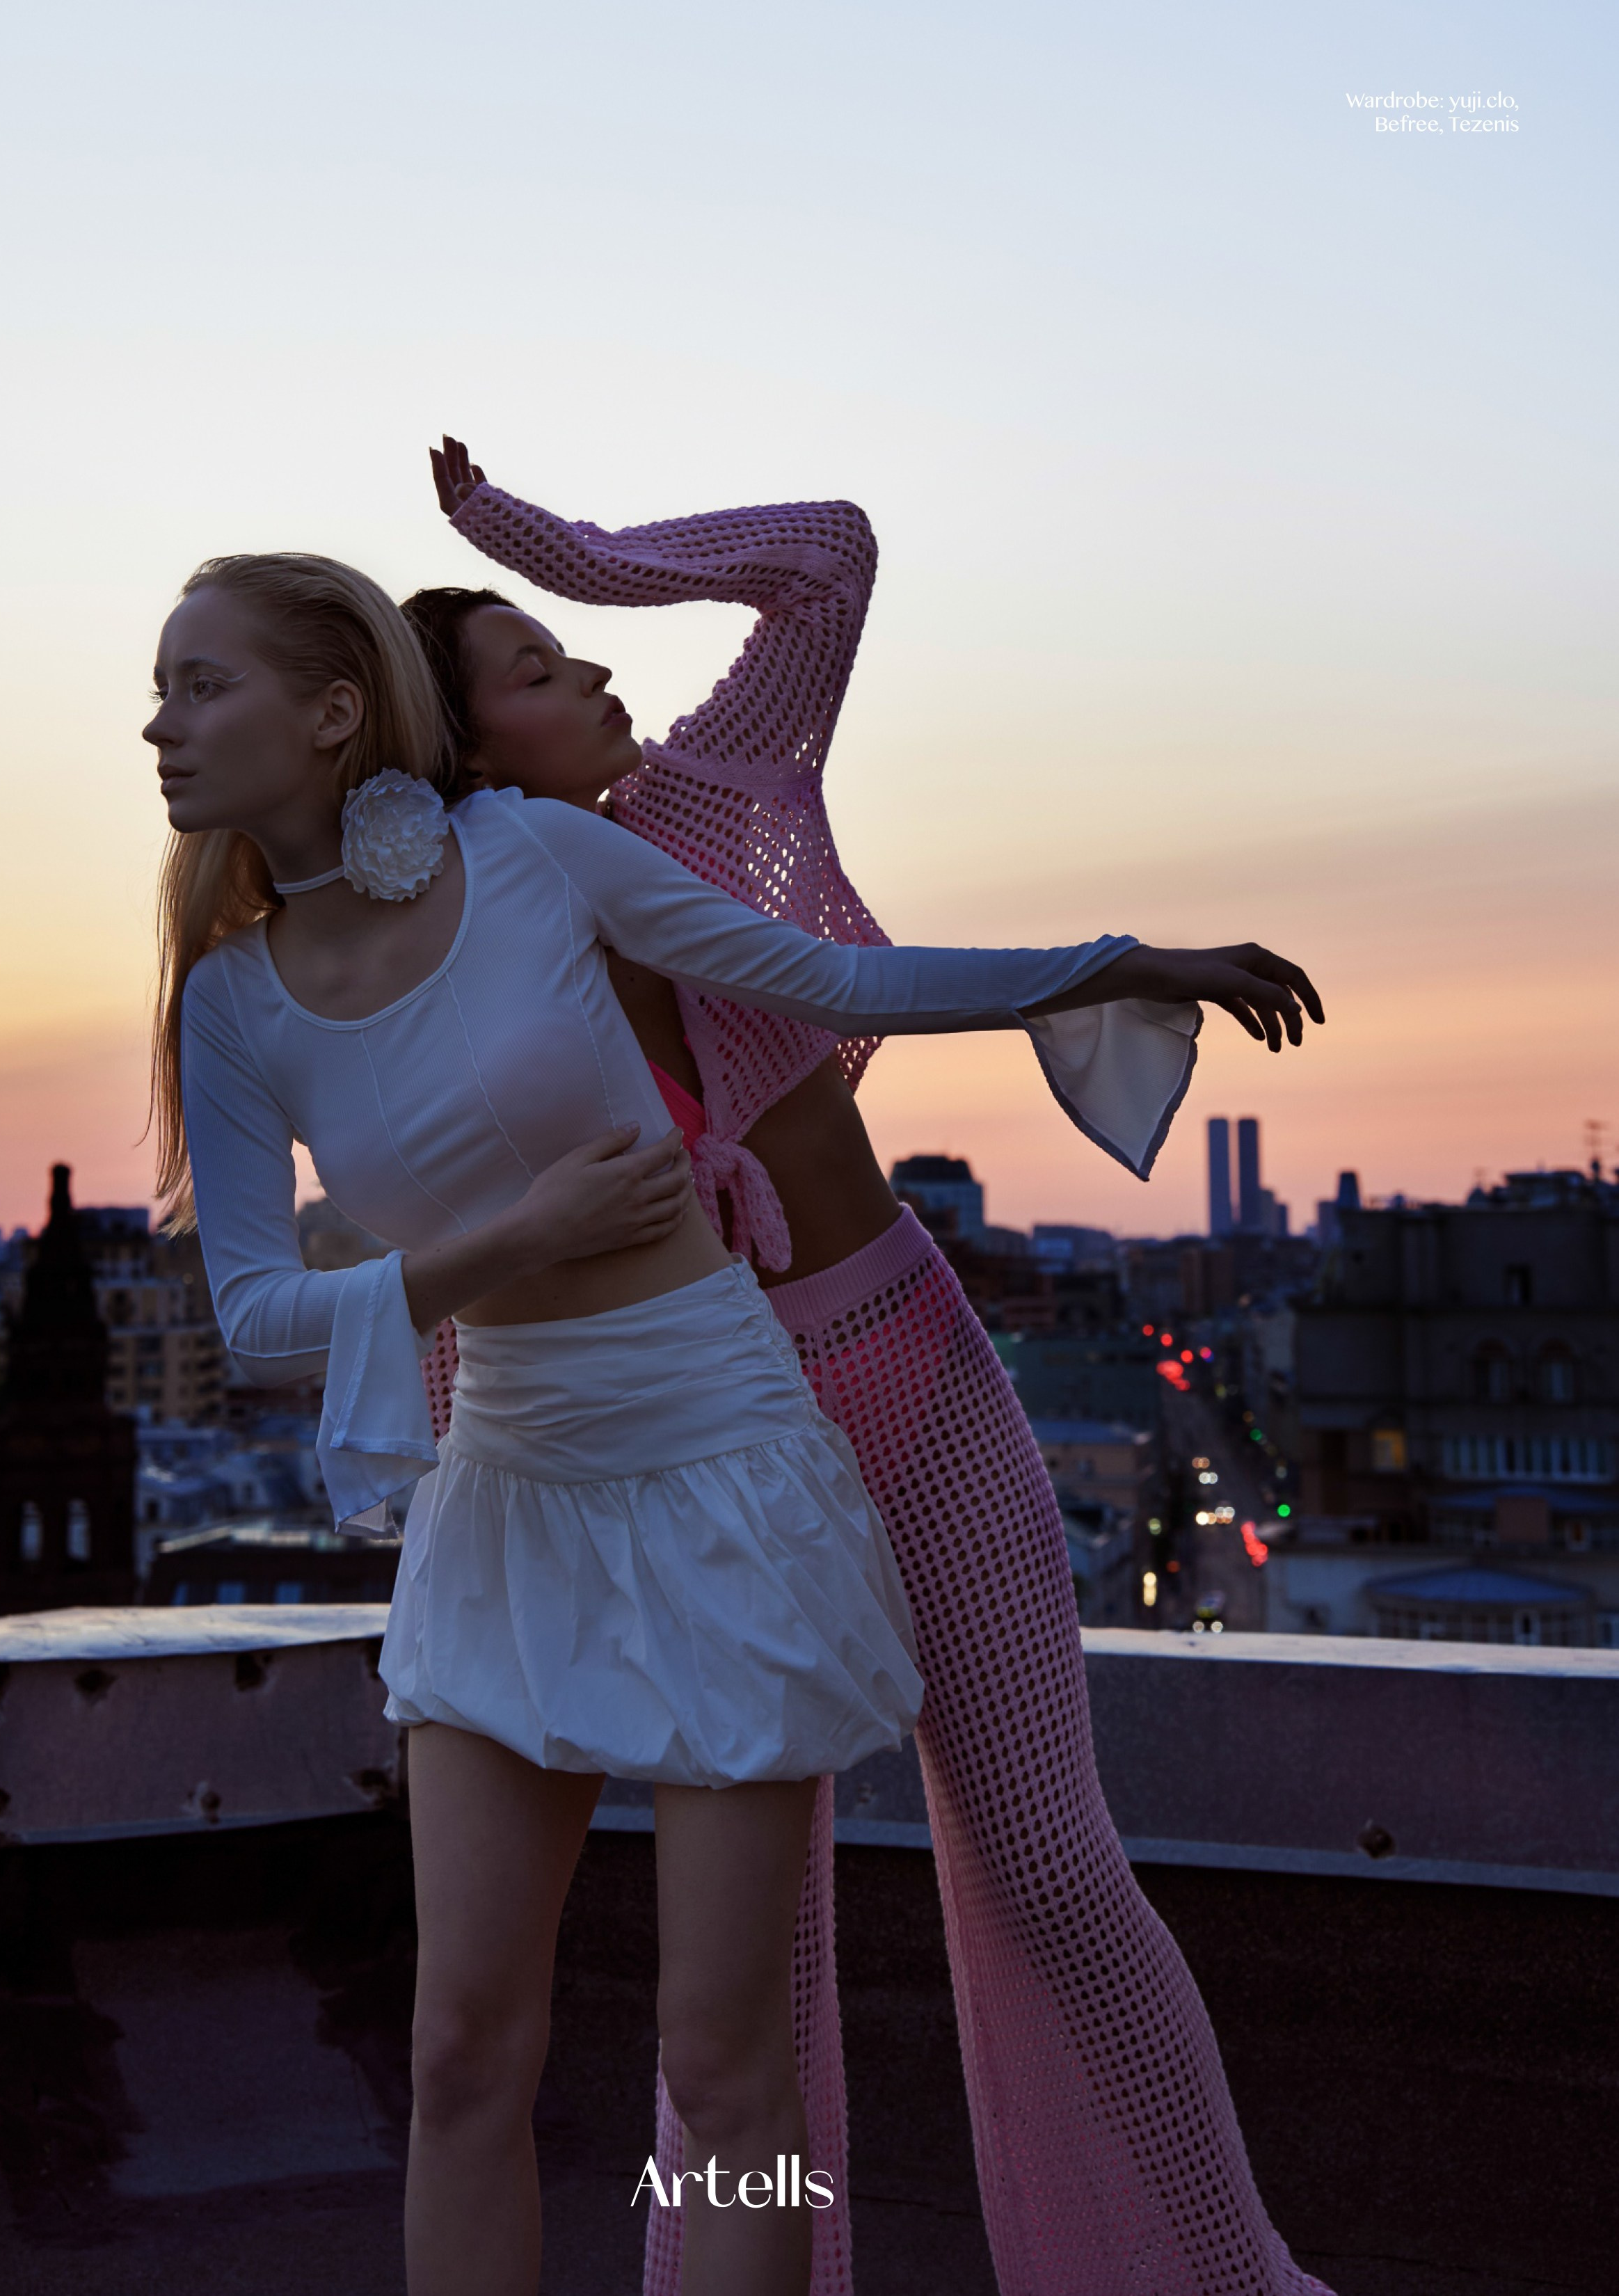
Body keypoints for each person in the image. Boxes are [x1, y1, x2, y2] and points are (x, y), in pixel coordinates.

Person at [144, 546, 1268, 2296]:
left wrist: (1117, 964)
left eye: (200, 686)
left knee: (728, 2067)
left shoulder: (536, 851)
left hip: (726, 1466)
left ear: (338, 709)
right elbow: (256, 1318)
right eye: (161, 693)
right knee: (459, 2056)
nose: (160, 727)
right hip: (508, 1497)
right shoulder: (228, 1004)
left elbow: (828, 981)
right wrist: (508, 1243)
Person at [408, 437, 1333, 2296]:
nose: (593, 670)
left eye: (565, 645)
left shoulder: (705, 797)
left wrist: (553, 547)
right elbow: (474, 1326)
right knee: (749, 1989)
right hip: (714, 1458)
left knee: (1052, 1873)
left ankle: (1224, 2282)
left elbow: (826, 556)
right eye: (539, 668)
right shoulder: (459, 994)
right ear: (469, 762)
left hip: (907, 1361)